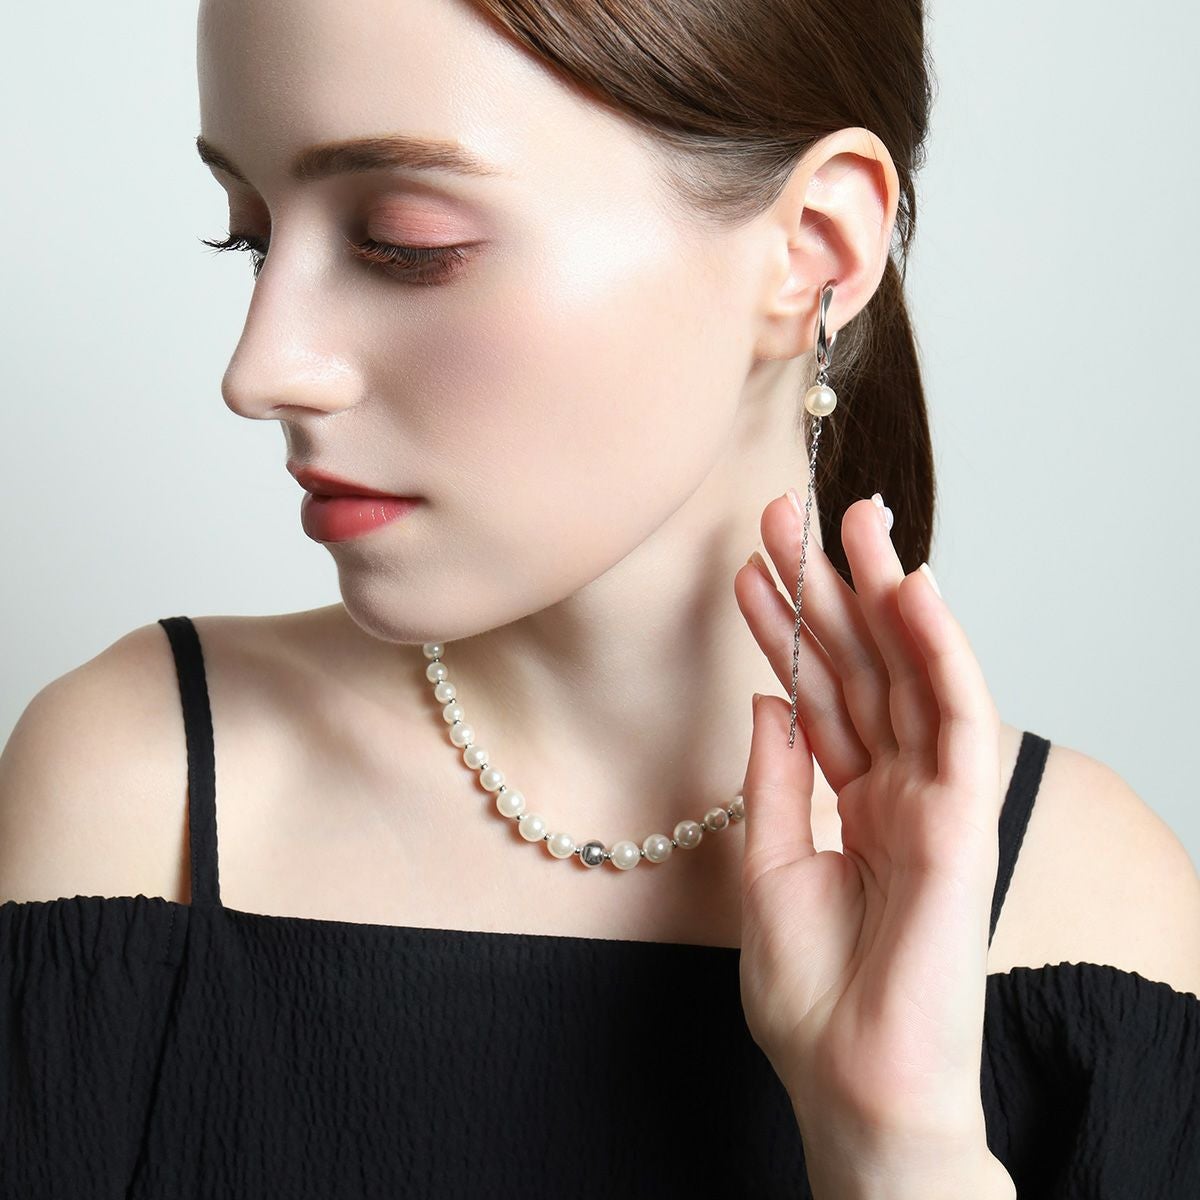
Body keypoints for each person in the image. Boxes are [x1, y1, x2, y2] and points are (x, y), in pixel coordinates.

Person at [2, 0, 1198, 1196]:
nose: (260, 370)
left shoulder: (1090, 910)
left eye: (405, 241)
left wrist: (898, 1146)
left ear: (814, 248)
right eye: (252, 238)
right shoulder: (138, 795)